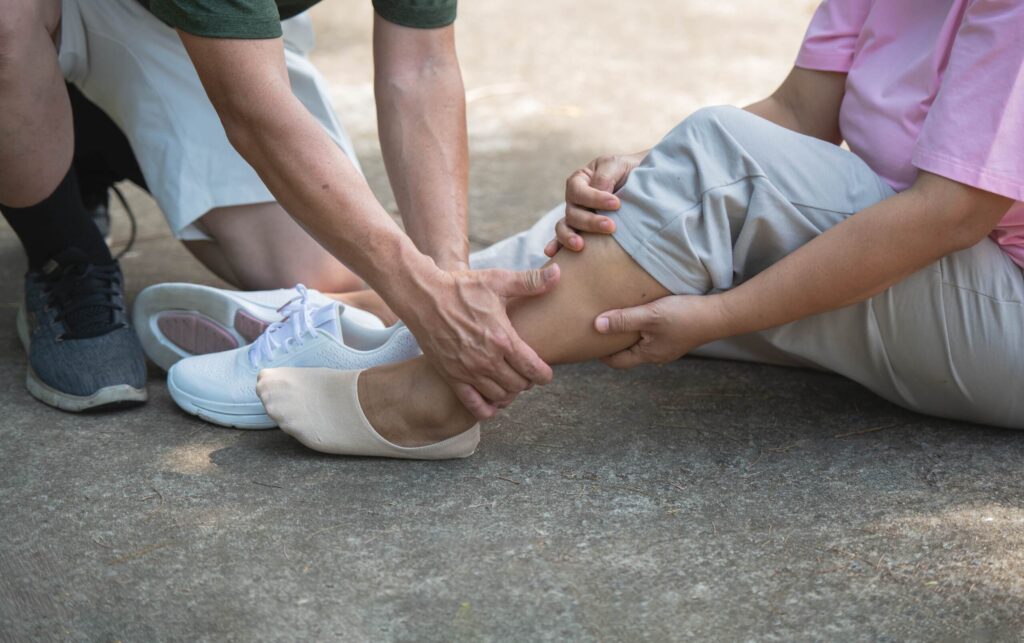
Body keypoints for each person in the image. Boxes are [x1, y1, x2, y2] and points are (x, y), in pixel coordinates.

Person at [248, 0, 1023, 458]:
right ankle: (376, 313)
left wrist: (718, 315)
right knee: (626, 218)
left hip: (1003, 309)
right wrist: (643, 167)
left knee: (714, 176)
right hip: (932, 269)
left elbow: (949, 212)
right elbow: (798, 116)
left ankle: (437, 394)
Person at [2, 0, 555, 415]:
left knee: (325, 277)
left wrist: (446, 279)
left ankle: (85, 137)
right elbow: (254, 115)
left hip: (213, 24)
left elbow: (420, 68)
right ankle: (62, 248)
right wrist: (421, 297)